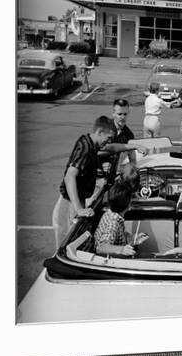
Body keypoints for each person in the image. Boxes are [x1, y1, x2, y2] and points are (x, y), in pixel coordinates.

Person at [51, 116, 116, 252]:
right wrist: (79, 208)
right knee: (68, 238)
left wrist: (133, 146)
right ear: (99, 132)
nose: (108, 141)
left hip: (77, 198)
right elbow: (70, 177)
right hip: (70, 200)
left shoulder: (91, 144)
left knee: (72, 235)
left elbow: (113, 147)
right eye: (108, 137)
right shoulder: (85, 148)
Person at [94, 182, 146, 256]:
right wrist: (121, 249)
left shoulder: (108, 213)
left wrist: (131, 238)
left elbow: (116, 236)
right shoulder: (113, 224)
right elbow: (101, 247)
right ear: (128, 205)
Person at [103, 98, 147, 164]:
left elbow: (131, 155)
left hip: (114, 170)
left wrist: (133, 168)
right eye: (119, 114)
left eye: (125, 114)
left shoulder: (129, 135)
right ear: (113, 113)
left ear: (128, 113)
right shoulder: (104, 127)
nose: (123, 117)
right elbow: (100, 149)